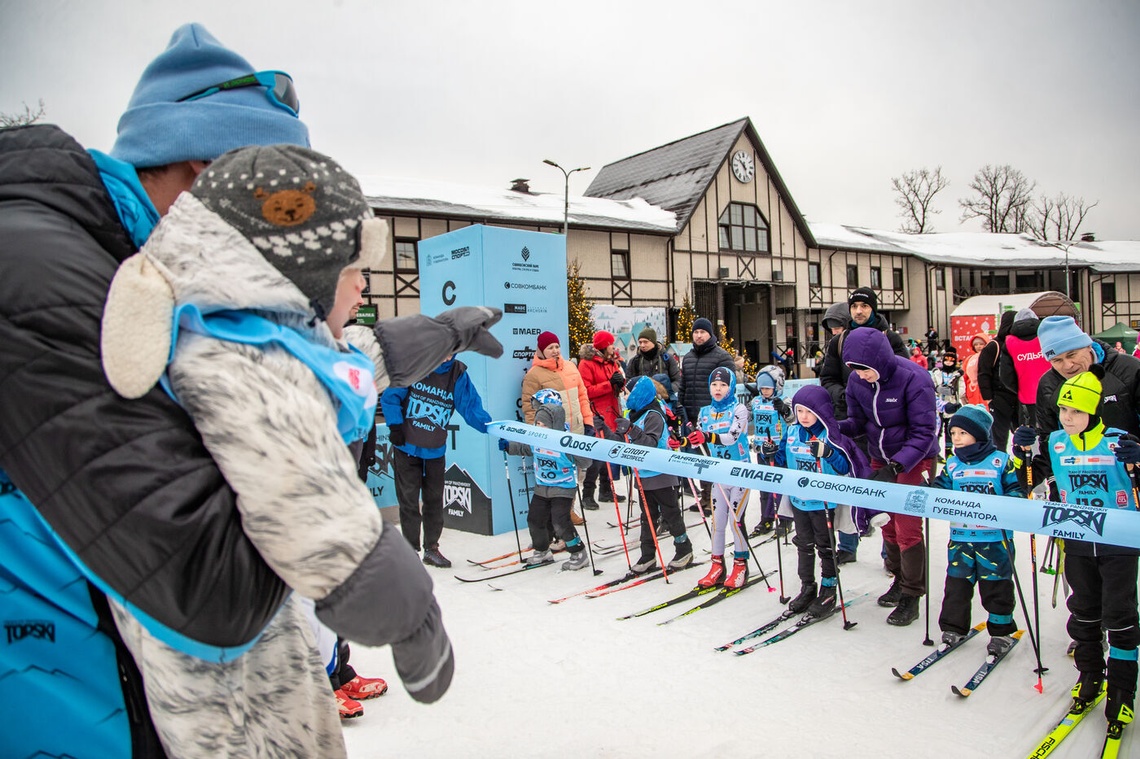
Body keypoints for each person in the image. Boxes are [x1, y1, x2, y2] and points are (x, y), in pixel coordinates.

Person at [92, 144, 505, 752]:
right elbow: (316, 514)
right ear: (302, 278)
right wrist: (413, 615)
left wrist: (447, 333)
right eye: (352, 271)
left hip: (258, 642)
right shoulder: (244, 368)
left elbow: (360, 355)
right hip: (234, 687)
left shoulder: (261, 339)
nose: (365, 285)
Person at [1, 25, 330, 756]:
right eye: (277, 212)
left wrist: (374, 352)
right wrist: (327, 400)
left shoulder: (131, 276)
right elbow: (215, 588)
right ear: (199, 174)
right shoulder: (38, 273)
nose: (283, 248)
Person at [1045, 368, 1139, 731]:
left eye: (1076, 412)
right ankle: (1089, 675)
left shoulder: (1116, 441)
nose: (1067, 418)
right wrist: (1022, 452)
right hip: (1078, 544)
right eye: (1063, 411)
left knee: (1120, 616)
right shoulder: (1055, 443)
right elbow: (1031, 475)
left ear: (1094, 412)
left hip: (1119, 544)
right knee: (1083, 611)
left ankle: (1121, 690)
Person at [840, 328, 938, 627]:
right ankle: (898, 579)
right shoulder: (856, 381)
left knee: (907, 525)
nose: (861, 376)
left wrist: (897, 467)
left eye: (865, 369)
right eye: (854, 370)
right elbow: (857, 421)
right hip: (880, 456)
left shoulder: (913, 378)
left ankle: (912, 593)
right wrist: (832, 426)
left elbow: (924, 431)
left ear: (880, 361)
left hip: (915, 458)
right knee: (888, 524)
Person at [381, 353, 493, 569]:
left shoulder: (457, 373)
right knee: (409, 501)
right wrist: (395, 425)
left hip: (434, 449)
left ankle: (431, 548)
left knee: (434, 500)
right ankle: (410, 550)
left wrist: (491, 427)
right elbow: (391, 396)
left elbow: (470, 407)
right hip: (407, 445)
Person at [930, 405, 1025, 656]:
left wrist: (1012, 501)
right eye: (953, 434)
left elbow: (1016, 491)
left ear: (980, 434)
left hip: (994, 540)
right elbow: (940, 492)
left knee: (996, 587)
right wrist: (927, 491)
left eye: (963, 433)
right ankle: (953, 628)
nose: (957, 438)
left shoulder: (1000, 461)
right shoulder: (952, 465)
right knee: (957, 585)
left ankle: (1001, 632)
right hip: (961, 539)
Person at [768, 384, 866, 616]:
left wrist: (828, 453)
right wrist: (769, 452)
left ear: (821, 412)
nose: (803, 417)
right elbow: (782, 459)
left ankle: (829, 587)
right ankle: (807, 586)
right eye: (800, 411)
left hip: (824, 502)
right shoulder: (792, 432)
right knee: (803, 542)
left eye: (809, 412)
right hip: (798, 499)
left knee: (825, 545)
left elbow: (844, 467)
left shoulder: (830, 435)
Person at [1020, 316, 1140, 488]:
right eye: (1057, 360)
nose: (1068, 365)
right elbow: (1049, 439)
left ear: (1087, 345)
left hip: (1130, 478)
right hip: (1080, 484)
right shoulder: (1049, 385)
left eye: (1072, 354)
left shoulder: (1129, 369)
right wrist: (1054, 482)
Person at [609, 376, 694, 573]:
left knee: (671, 514)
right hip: (644, 475)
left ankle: (684, 549)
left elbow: (650, 444)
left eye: (628, 393)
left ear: (639, 394)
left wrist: (631, 429)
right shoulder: (635, 414)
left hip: (661, 473)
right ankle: (647, 555)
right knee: (647, 517)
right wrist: (605, 429)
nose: (625, 396)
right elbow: (625, 440)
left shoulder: (653, 415)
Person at [499, 390, 591, 571]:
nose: (538, 427)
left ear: (553, 424)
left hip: (563, 487)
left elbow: (586, 461)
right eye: (537, 423)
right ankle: (542, 551)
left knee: (560, 521)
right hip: (542, 486)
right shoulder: (536, 437)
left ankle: (578, 553)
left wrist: (584, 451)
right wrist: (509, 446)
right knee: (534, 519)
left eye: (542, 424)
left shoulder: (565, 440)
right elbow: (526, 448)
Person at [688, 367, 752, 589]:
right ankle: (717, 565)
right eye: (714, 385)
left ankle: (740, 564)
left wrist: (707, 435)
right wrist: (684, 442)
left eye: (723, 385)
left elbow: (731, 438)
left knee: (736, 521)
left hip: (740, 473)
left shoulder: (739, 409)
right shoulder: (704, 412)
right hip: (718, 474)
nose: (718, 389)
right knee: (718, 523)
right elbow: (698, 440)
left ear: (730, 387)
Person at [819, 287, 907, 421]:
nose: (858, 311)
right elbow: (828, 379)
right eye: (854, 306)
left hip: (884, 417)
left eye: (864, 306)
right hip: (849, 416)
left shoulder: (890, 338)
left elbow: (904, 376)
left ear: (873, 308)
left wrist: (879, 397)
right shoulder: (838, 341)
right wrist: (844, 396)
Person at [680, 317, 736, 512]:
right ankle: (706, 497)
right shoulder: (687, 358)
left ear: (710, 334)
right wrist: (682, 408)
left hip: (715, 417)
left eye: (702, 332)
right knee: (702, 459)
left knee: (715, 457)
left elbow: (729, 387)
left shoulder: (722, 356)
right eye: (696, 332)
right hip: (694, 415)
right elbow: (684, 386)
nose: (698, 335)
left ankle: (718, 496)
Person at [578, 329, 626, 508]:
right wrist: (609, 384)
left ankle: (606, 490)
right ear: (605, 346)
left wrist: (620, 384)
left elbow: (616, 386)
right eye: (611, 344)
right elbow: (586, 391)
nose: (614, 347)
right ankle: (587, 494)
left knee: (608, 452)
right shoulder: (586, 364)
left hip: (612, 412)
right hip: (596, 414)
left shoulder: (612, 362)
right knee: (596, 456)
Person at [747, 365, 793, 538]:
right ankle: (766, 518)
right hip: (761, 449)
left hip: (778, 450)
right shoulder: (756, 401)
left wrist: (785, 410)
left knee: (779, 486)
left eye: (768, 388)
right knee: (764, 488)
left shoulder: (784, 400)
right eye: (762, 388)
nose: (765, 391)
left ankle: (785, 520)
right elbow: (745, 416)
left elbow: (793, 420)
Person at [977, 310, 1018, 451]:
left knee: (1020, 435)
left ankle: (1021, 466)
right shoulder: (994, 345)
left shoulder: (1018, 344)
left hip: (1018, 396)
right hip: (999, 396)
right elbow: (983, 372)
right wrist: (988, 398)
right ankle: (999, 465)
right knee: (999, 437)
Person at [626, 326, 681, 393]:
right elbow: (628, 384)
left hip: (665, 401)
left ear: (653, 342)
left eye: (645, 342)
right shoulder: (635, 361)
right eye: (640, 342)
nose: (642, 345)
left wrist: (666, 391)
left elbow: (678, 381)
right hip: (643, 401)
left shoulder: (667, 359)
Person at [932, 346, 963, 460]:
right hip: (939, 405)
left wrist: (955, 395)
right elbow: (932, 386)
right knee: (937, 429)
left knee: (950, 429)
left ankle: (948, 451)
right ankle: (935, 450)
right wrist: (938, 390)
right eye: (947, 360)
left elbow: (961, 388)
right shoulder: (937, 373)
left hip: (952, 404)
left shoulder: (957, 375)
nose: (949, 362)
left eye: (951, 360)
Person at [962, 333, 991, 408]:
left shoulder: (990, 358)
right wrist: (963, 392)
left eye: (981, 344)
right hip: (971, 391)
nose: (979, 346)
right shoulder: (969, 359)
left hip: (985, 391)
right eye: (976, 344)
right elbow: (964, 377)